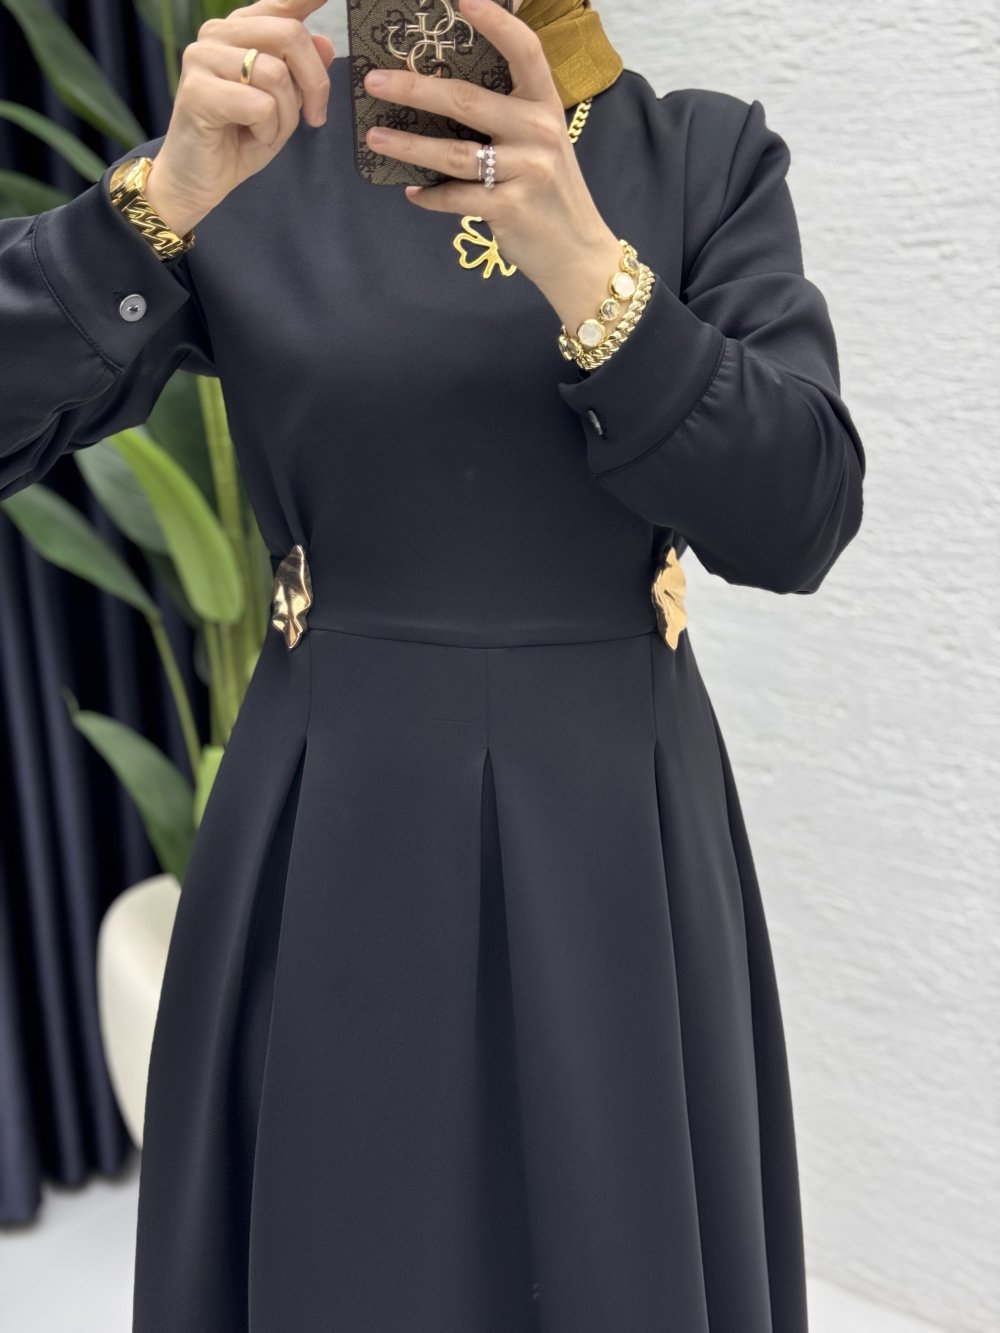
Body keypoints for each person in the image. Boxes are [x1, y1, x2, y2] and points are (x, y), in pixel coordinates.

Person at [0, 0, 866, 1327]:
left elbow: (800, 515)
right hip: (327, 822)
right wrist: (160, 202)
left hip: (614, 833)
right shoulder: (256, 156)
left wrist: (590, 270)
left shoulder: (700, 158)